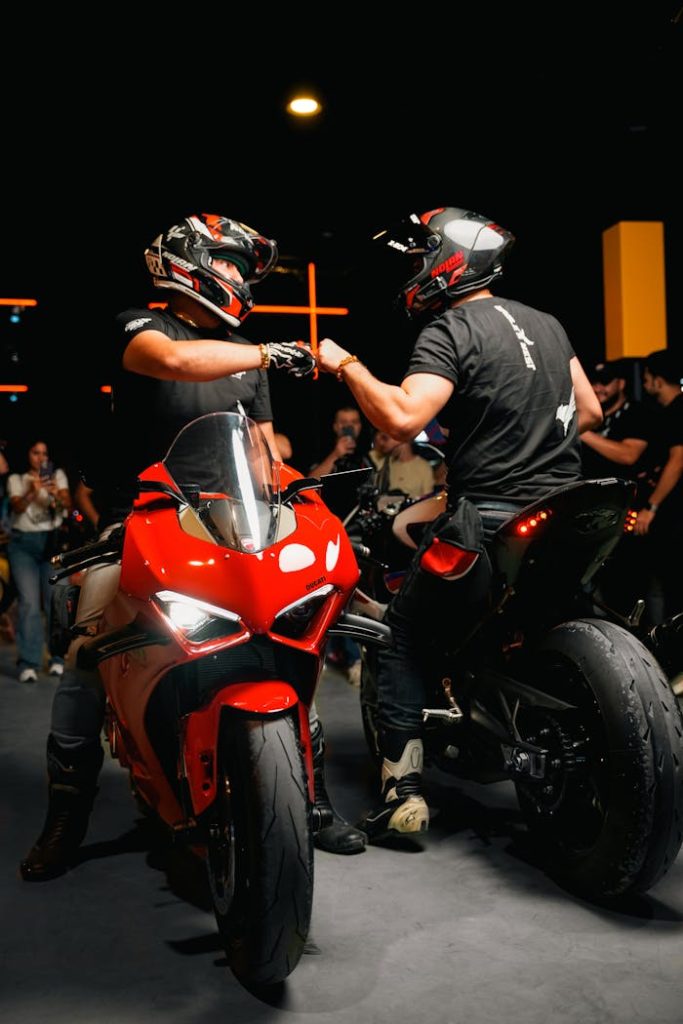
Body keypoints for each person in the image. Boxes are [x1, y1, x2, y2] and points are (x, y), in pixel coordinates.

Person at [20, 213, 362, 881]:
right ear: (189, 263)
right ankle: (66, 814)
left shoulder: (245, 356)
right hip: (148, 519)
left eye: (241, 269)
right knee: (89, 652)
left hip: (238, 525)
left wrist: (288, 472)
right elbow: (174, 363)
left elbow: (265, 446)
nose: (237, 279)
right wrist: (269, 353)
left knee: (293, 639)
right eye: (229, 263)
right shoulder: (144, 328)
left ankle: (308, 801)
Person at [316, 206, 602, 842]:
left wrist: (346, 366)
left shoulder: (451, 329)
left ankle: (403, 793)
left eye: (422, 253)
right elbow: (589, 410)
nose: (414, 266)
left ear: (450, 261)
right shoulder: (549, 324)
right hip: (569, 509)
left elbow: (400, 418)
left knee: (401, 637)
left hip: (491, 516)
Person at [580, 360, 658, 617]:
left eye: (605, 382)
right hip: (592, 518)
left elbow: (628, 455)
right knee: (592, 592)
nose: (598, 388)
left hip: (628, 518)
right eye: (593, 382)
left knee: (628, 590)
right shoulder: (595, 416)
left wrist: (581, 431)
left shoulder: (637, 413)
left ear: (621, 384)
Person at [7, 439, 72, 682]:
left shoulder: (57, 476)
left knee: (55, 602)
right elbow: (17, 507)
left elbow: (67, 504)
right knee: (29, 603)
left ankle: (57, 657)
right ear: (28, 455)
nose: (40, 458)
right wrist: (33, 490)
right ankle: (29, 662)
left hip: (52, 544)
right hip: (23, 545)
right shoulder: (17, 479)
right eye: (35, 453)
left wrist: (54, 492)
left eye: (44, 453)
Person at [635, 349, 683, 621]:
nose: (643, 383)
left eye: (646, 377)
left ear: (657, 380)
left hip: (674, 515)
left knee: (669, 584)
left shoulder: (677, 409)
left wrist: (651, 507)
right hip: (672, 514)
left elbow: (678, 461)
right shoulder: (669, 412)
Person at [370, 429, 436, 499]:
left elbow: (428, 499)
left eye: (386, 438)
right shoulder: (385, 463)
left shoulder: (423, 466)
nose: (384, 445)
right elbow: (371, 456)